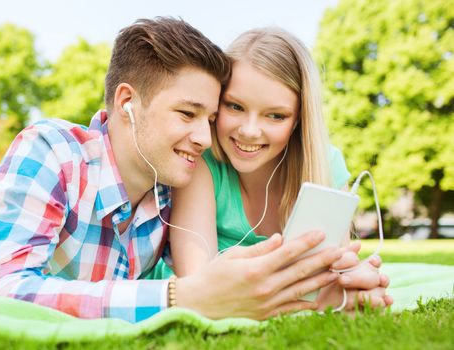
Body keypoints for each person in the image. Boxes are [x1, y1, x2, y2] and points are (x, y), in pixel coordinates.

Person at [0, 17, 349, 323]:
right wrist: (173, 298)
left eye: (211, 118)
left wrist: (331, 287)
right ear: (127, 102)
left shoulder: (168, 191)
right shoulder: (53, 152)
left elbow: (221, 282)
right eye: (187, 113)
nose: (205, 138)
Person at [152, 27, 393, 311]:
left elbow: (327, 275)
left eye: (276, 115)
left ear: (299, 120)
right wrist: (316, 299)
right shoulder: (203, 161)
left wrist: (348, 283)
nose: (250, 131)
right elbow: (199, 284)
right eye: (235, 106)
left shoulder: (325, 163)